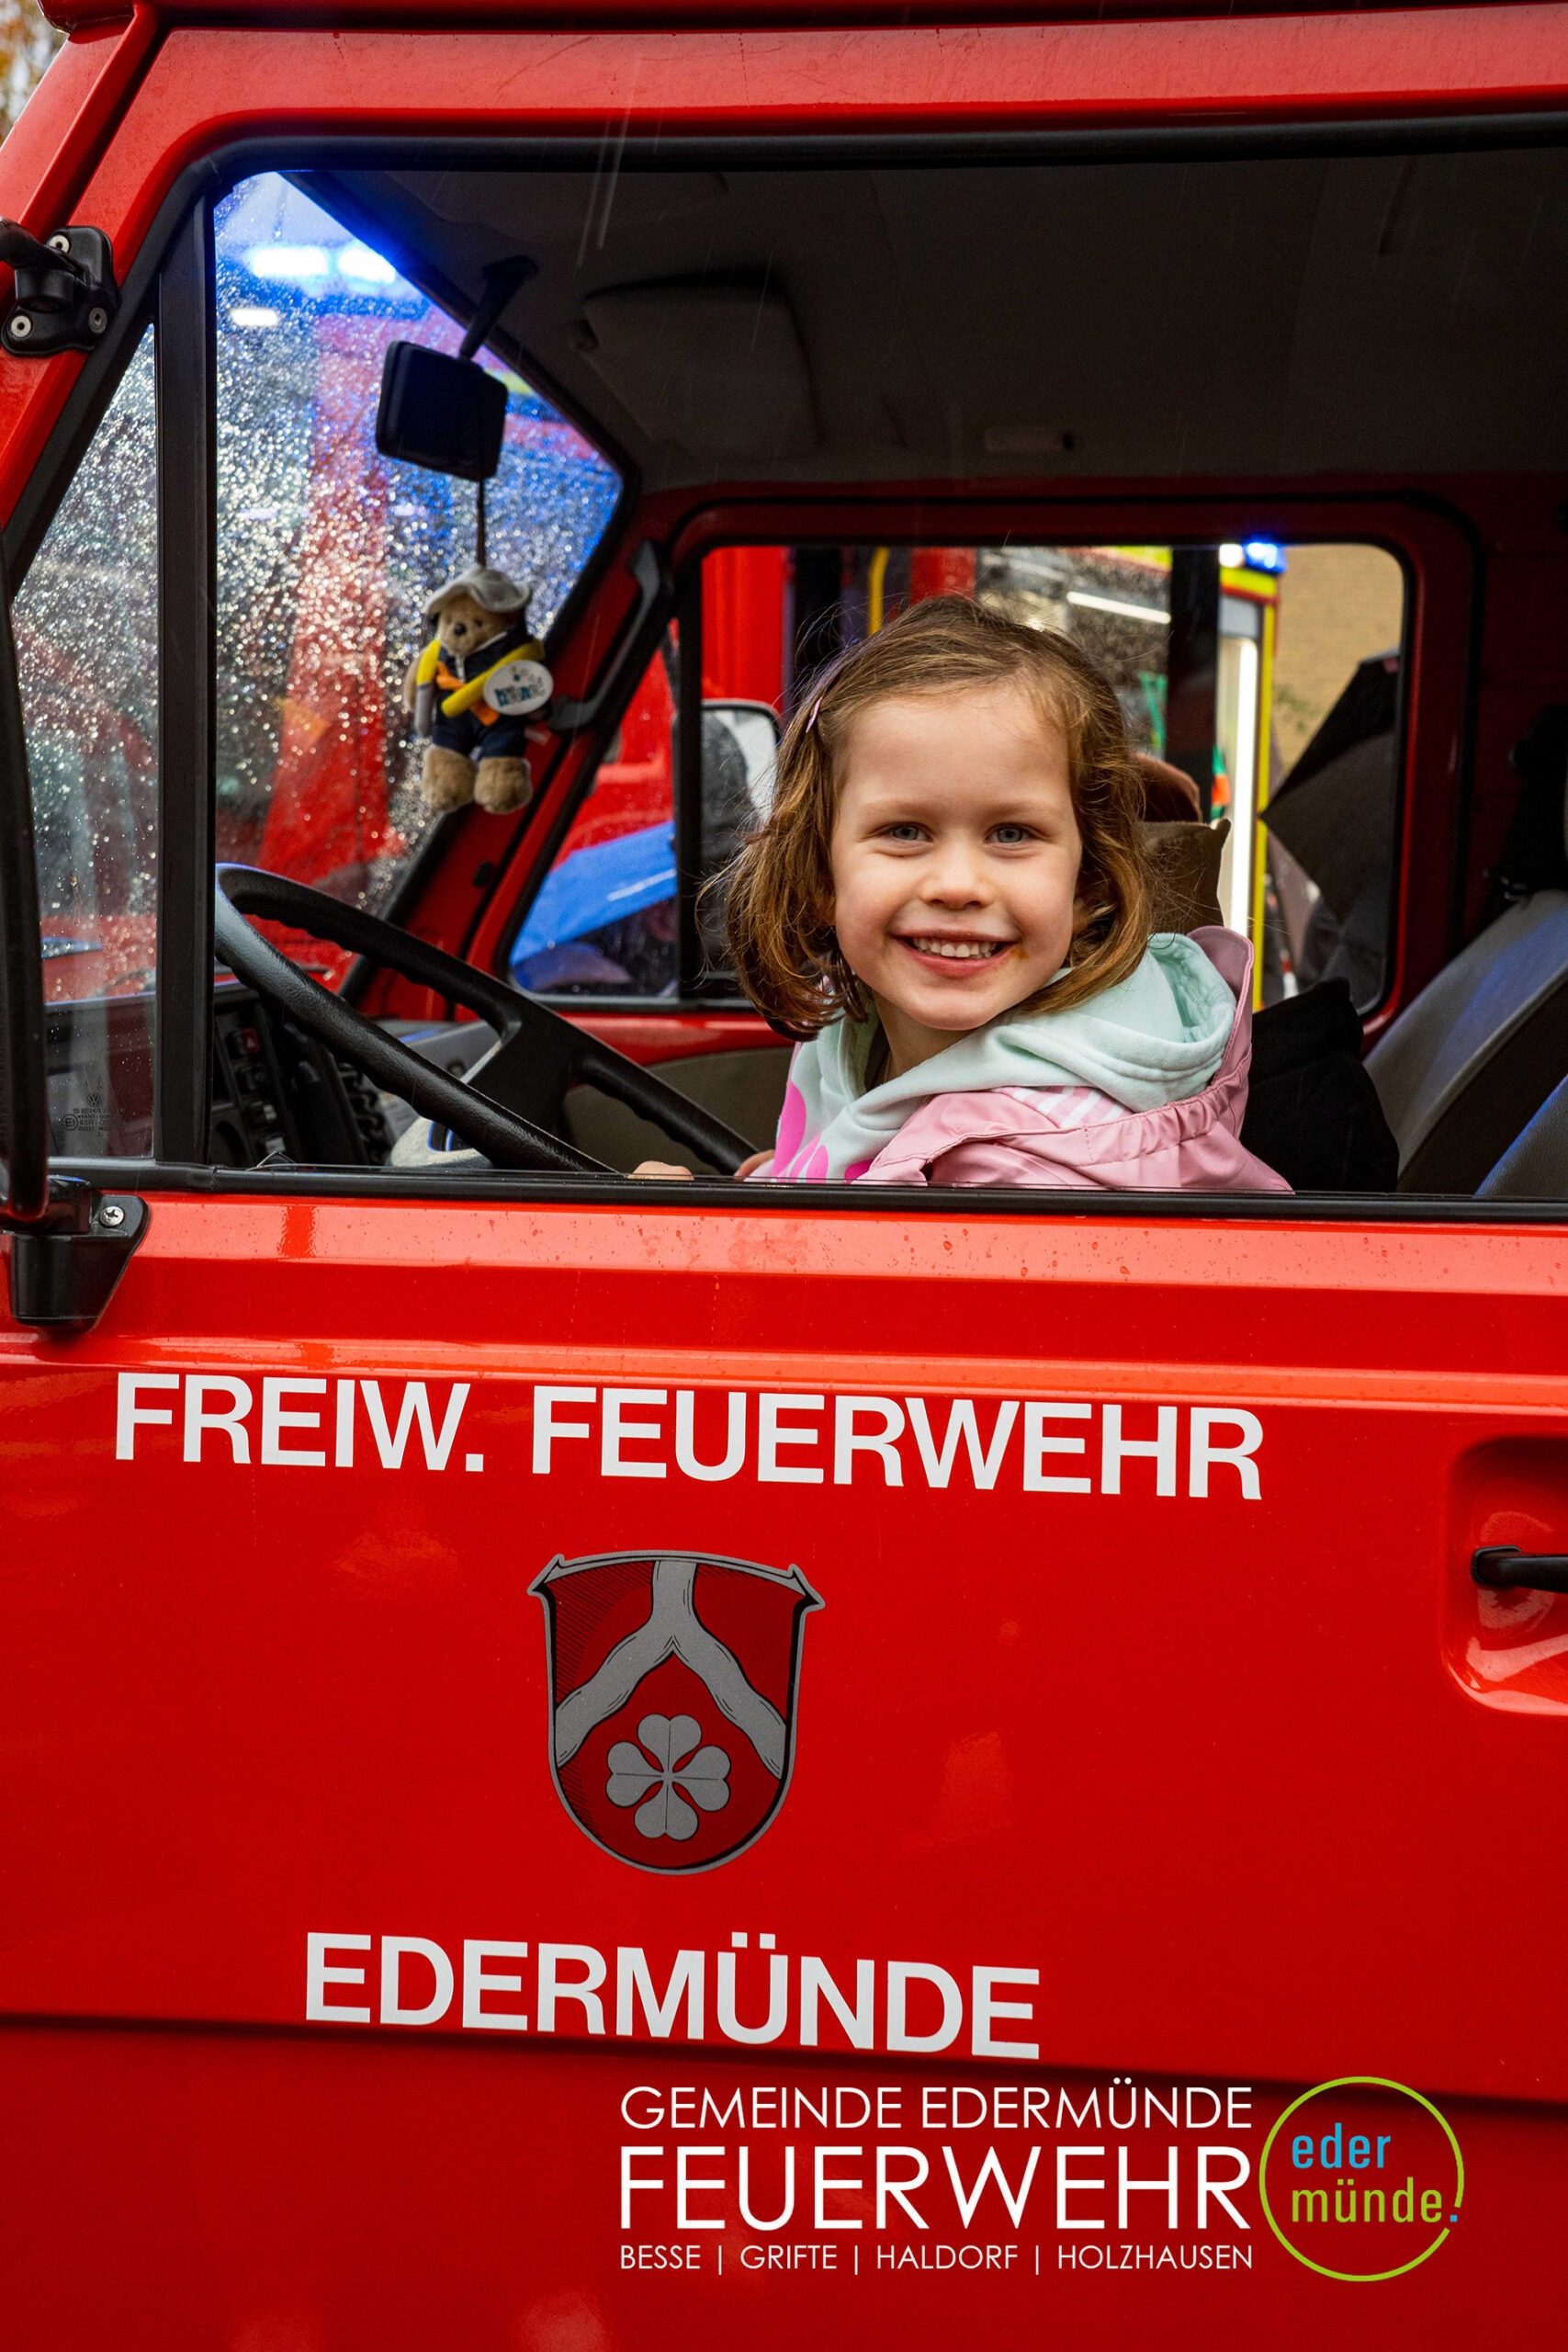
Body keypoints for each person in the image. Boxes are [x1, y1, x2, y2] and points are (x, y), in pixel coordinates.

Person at [637, 594, 1288, 1191]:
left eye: (1011, 834)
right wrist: (779, 1183)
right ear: (820, 876)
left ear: (1088, 883)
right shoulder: (862, 1030)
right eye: (904, 831)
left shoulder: (1021, 1177)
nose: (957, 886)